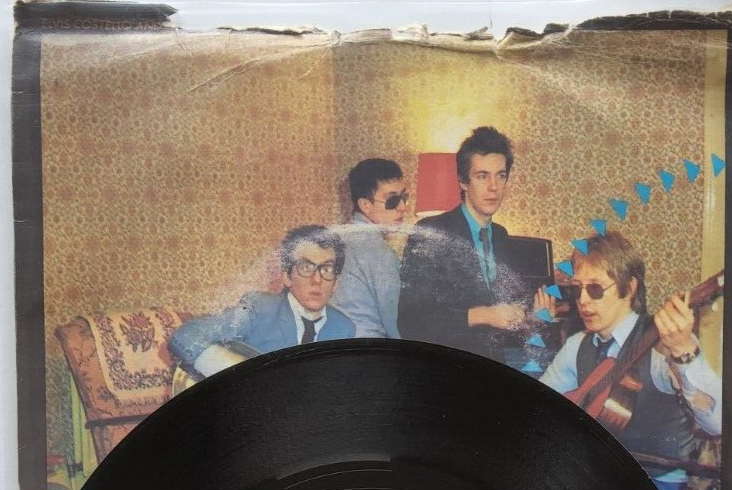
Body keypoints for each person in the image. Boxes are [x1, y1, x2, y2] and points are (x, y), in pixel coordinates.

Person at [540, 231, 721, 490]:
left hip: (656, 485)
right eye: (577, 289)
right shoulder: (578, 345)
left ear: (630, 287)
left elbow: (717, 422)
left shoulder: (664, 344)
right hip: (599, 477)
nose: (583, 300)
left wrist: (685, 351)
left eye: (595, 289)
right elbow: (540, 405)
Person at [398, 125, 550, 363]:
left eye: (501, 175)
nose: (493, 187)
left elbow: (505, 321)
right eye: (482, 176)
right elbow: (412, 323)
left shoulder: (501, 236)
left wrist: (532, 319)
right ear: (463, 181)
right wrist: (484, 315)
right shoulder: (431, 232)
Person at [169, 224, 355, 377]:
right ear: (286, 276)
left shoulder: (344, 328)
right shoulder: (259, 308)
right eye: (306, 267)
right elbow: (185, 336)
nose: (317, 280)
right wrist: (239, 374)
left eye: (327, 269)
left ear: (336, 283)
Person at [331, 158, 408, 338]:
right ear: (365, 205)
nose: (402, 207)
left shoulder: (337, 239)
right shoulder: (380, 253)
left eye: (404, 197)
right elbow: (396, 323)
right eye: (392, 200)